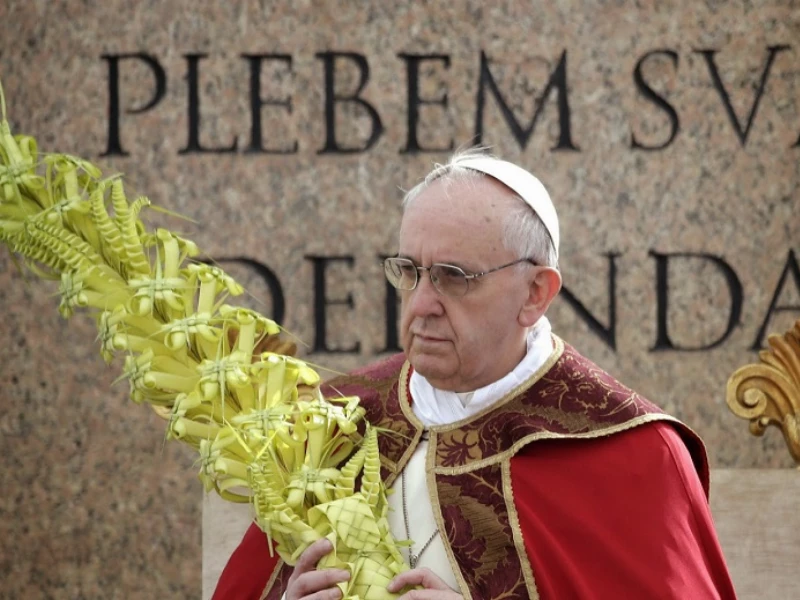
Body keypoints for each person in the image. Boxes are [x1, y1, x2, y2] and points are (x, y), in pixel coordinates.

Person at [213, 149, 737, 599]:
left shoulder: (632, 455)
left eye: (453, 278)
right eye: (410, 272)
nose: (421, 304)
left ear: (535, 293)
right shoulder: (331, 424)